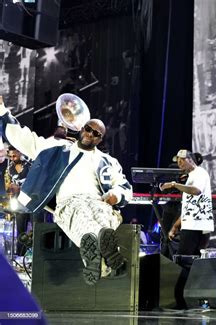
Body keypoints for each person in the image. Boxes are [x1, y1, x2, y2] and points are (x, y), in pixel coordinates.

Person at [0, 97, 133, 285]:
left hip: (99, 201)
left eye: (96, 133)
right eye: (88, 129)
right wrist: (2, 111)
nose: (90, 134)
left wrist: (115, 195)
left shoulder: (108, 161)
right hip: (70, 202)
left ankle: (99, 259)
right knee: (82, 218)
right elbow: (22, 138)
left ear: (100, 139)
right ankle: (109, 257)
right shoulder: (57, 149)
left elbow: (125, 187)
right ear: (82, 129)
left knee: (103, 216)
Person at [161, 150, 213, 258]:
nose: (179, 163)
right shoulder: (191, 176)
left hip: (196, 226)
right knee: (190, 260)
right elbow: (189, 208)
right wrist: (175, 226)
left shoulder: (200, 173)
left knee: (183, 260)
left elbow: (196, 190)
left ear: (190, 160)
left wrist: (174, 185)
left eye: (182, 160)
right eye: (178, 161)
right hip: (191, 225)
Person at [4, 146, 30, 256]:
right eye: (10, 156)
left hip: (32, 200)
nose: (13, 158)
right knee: (20, 229)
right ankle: (20, 254)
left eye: (14, 155)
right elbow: (7, 185)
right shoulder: (10, 168)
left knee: (35, 227)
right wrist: (10, 187)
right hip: (19, 202)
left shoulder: (29, 165)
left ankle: (34, 253)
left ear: (20, 152)